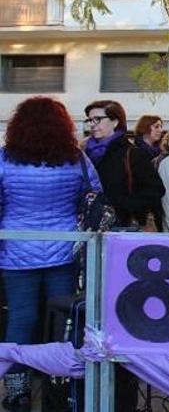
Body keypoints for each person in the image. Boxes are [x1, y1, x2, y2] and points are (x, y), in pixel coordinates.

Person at [0, 97, 101, 411]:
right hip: (64, 250)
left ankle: (17, 389)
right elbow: (93, 196)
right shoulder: (76, 159)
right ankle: (59, 385)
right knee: (62, 321)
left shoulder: (4, 159)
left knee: (20, 318)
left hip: (15, 249)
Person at [83, 100, 165, 231]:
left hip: (122, 227)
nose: (92, 125)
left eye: (97, 119)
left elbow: (156, 189)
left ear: (115, 122)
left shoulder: (132, 153)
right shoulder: (84, 152)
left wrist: (122, 205)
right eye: (90, 120)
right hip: (90, 227)